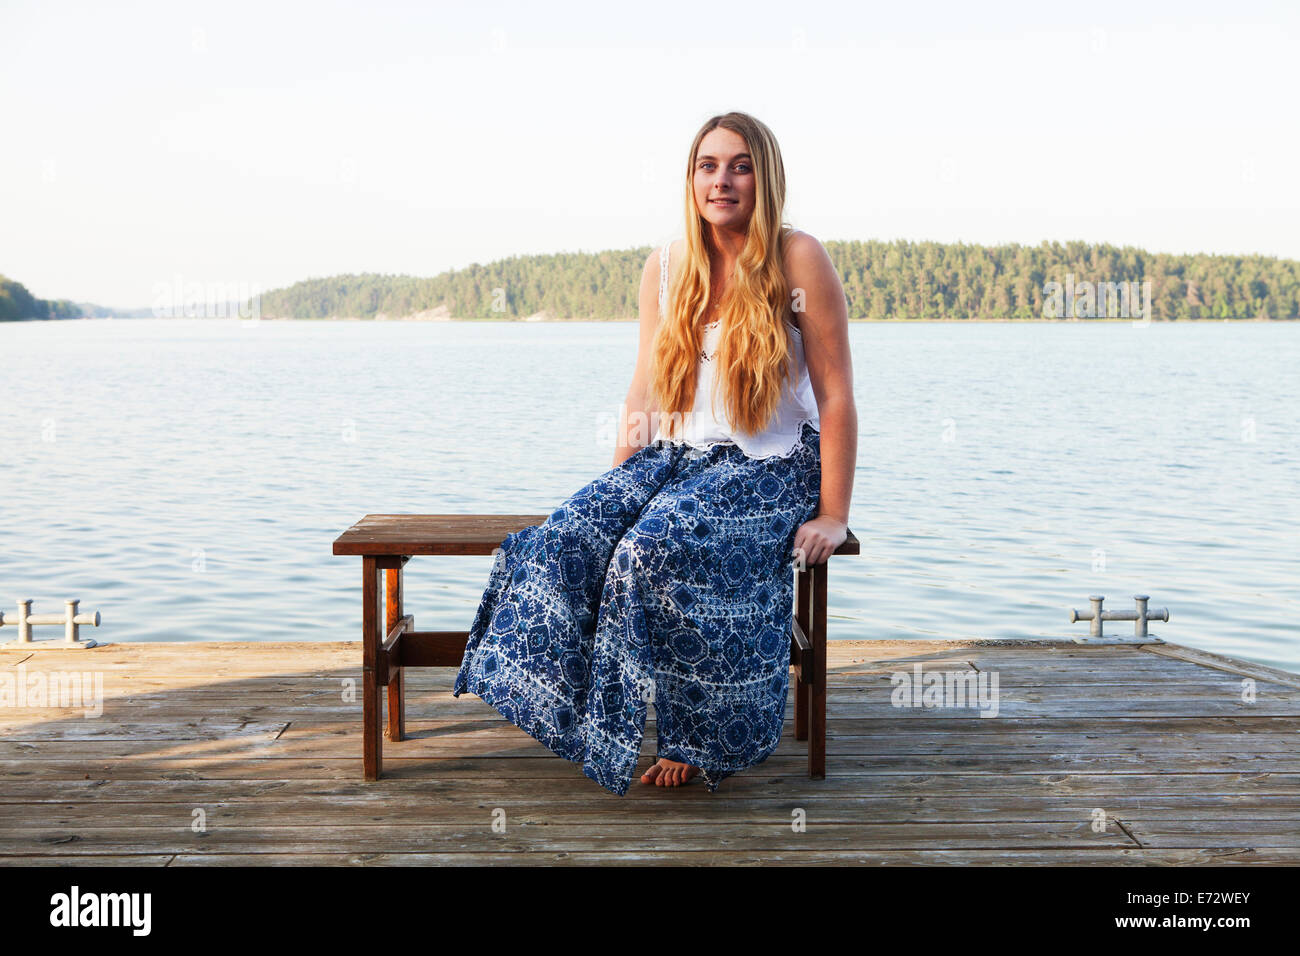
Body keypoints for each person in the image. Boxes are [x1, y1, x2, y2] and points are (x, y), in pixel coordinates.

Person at [452, 111, 857, 795]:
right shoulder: (667, 267)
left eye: (740, 165)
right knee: (567, 539)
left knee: (651, 551)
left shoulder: (798, 258)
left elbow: (839, 396)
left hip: (769, 465)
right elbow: (643, 387)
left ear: (766, 176)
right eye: (708, 165)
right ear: (691, 178)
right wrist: (616, 491)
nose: (721, 180)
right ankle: (580, 718)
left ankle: (694, 738)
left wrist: (834, 514)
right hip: (672, 456)